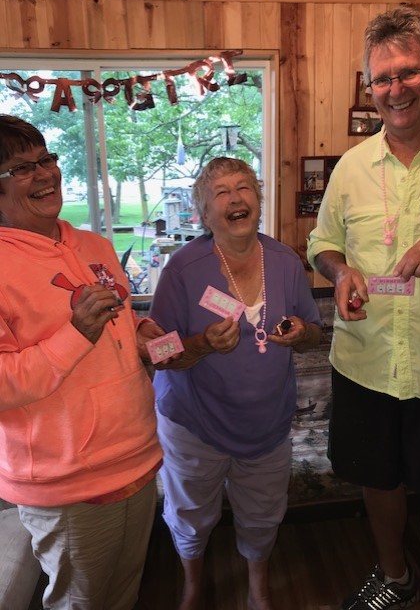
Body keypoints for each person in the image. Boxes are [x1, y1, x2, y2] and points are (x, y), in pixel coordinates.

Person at [307, 7, 420, 610]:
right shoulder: (352, 167)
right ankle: (396, 578)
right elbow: (321, 243)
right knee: (377, 480)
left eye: (408, 72)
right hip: (366, 363)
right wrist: (340, 271)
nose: (394, 89)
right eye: (381, 78)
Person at [0, 114, 168, 609]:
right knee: (82, 602)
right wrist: (77, 334)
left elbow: (119, 323)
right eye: (22, 168)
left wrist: (140, 332)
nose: (45, 174)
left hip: (136, 452)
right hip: (66, 480)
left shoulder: (94, 244)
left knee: (124, 593)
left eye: (46, 159)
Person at [149, 156, 322, 610]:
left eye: (244, 187)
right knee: (190, 514)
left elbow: (315, 331)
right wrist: (201, 344)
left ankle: (257, 588)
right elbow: (156, 351)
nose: (235, 198)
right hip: (194, 424)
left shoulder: (284, 261)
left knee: (263, 514)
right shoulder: (183, 269)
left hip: (266, 423)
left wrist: (302, 333)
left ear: (258, 201)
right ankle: (192, 586)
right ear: (205, 214)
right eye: (221, 192)